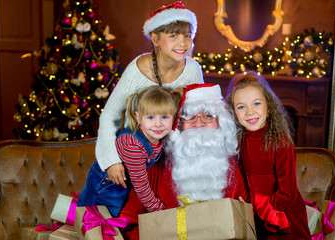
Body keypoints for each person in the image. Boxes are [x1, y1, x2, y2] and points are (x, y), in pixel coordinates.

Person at [96, 1, 204, 189]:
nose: (182, 42)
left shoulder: (193, 70)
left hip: (172, 153)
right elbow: (109, 115)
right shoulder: (137, 71)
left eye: (187, 35)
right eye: (173, 35)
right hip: (135, 153)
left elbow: (199, 112)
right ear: (155, 39)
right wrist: (111, 160)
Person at [118, 83, 247, 239]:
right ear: (179, 124)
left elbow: (244, 214)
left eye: (208, 116)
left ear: (220, 123)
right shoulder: (157, 165)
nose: (199, 123)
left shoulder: (231, 166)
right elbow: (130, 217)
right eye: (190, 117)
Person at [225, 72, 311, 239]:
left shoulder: (280, 143)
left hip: (281, 214)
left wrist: (263, 207)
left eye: (256, 104)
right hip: (254, 213)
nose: (250, 112)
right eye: (241, 107)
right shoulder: (239, 141)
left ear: (269, 106)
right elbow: (240, 178)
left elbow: (288, 193)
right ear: (234, 112)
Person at [77, 85, 182, 217]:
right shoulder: (132, 145)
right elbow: (141, 186)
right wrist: (158, 209)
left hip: (125, 185)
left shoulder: (160, 136)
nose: (158, 124)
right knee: (96, 219)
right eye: (150, 117)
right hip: (108, 185)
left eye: (165, 117)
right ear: (138, 117)